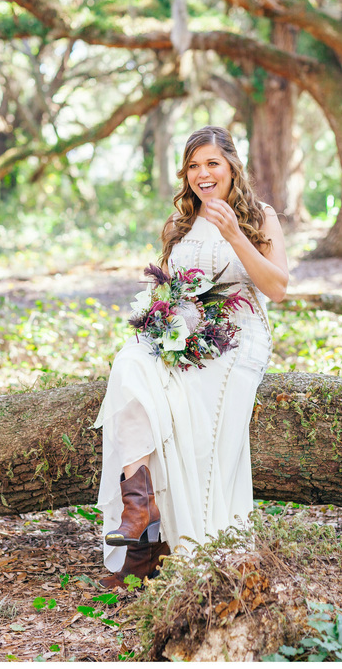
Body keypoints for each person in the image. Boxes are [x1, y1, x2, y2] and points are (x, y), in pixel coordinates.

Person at [94, 125, 288, 589]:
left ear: (231, 167)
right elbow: (170, 286)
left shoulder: (260, 216)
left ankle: (169, 545)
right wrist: (162, 322)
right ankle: (141, 508)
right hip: (183, 334)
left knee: (191, 410)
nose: (203, 174)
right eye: (194, 166)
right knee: (129, 367)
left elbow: (277, 288)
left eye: (212, 164)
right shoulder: (180, 223)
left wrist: (236, 235)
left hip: (239, 338)